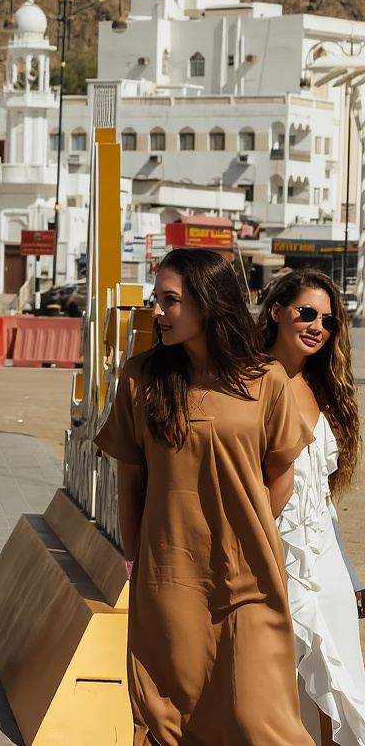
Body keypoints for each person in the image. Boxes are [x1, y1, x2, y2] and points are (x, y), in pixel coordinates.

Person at [96, 247, 313, 745]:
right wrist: (137, 558)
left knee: (262, 717)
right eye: (157, 300)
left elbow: (281, 472)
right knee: (173, 715)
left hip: (251, 575)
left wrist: (251, 524)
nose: (157, 312)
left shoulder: (265, 380)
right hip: (171, 575)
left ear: (209, 301)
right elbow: (128, 480)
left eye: (170, 301)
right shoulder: (141, 379)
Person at [259, 269, 365, 744]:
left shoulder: (324, 388)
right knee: (287, 683)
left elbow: (320, 498)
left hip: (324, 559)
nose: (317, 325)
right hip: (271, 551)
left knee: (339, 681)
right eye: (305, 312)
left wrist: (351, 575)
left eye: (328, 319)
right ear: (277, 311)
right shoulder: (248, 381)